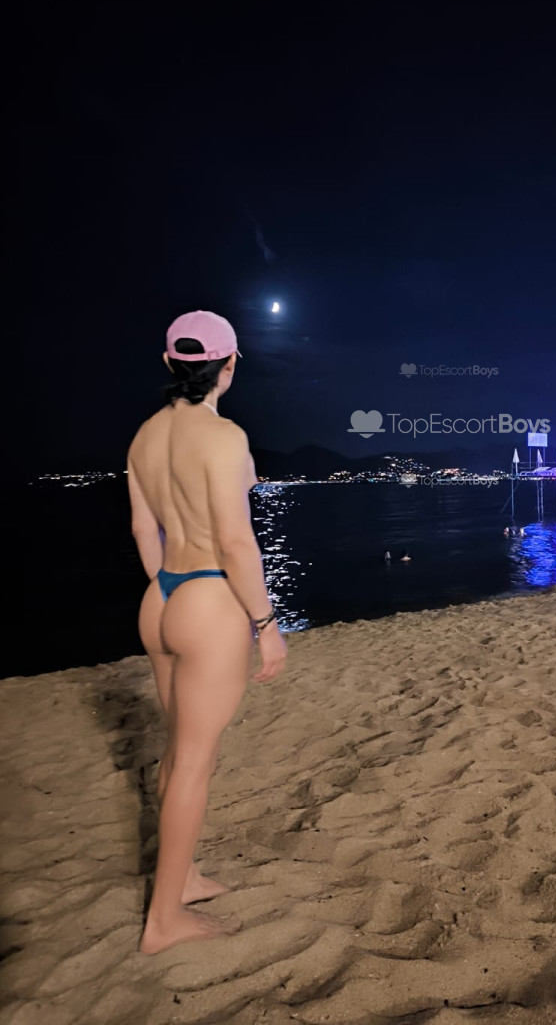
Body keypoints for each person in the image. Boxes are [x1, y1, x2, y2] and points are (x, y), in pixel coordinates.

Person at [127, 310, 287, 954]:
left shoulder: (143, 436)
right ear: (230, 364)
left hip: (160, 595)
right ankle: (163, 921)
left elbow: (143, 529)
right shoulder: (223, 437)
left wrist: (170, 590)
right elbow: (235, 541)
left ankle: (183, 875)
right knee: (195, 760)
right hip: (207, 597)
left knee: (179, 750)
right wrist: (266, 623)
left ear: (170, 363)